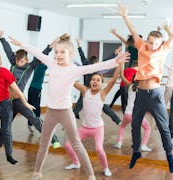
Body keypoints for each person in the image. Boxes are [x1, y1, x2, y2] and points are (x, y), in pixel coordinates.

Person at [9, 34, 129, 179]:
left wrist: (115, 61)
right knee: (44, 143)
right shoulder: (51, 63)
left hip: (65, 112)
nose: (58, 55)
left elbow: (95, 66)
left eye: (62, 52)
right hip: (51, 112)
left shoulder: (74, 69)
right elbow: (37, 53)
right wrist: (22, 44)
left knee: (76, 143)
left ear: (70, 54)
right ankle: (36, 172)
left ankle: (91, 175)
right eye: (57, 52)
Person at [118, 3, 173, 171]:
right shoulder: (142, 46)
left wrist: (167, 30)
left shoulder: (163, 49)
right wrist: (125, 17)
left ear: (160, 43)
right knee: (135, 124)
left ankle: (170, 156)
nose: (152, 45)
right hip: (141, 93)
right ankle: (136, 152)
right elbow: (134, 31)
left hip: (155, 94)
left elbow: (171, 38)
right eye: (150, 42)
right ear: (147, 40)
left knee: (163, 127)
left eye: (155, 43)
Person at [0, 25, 60, 151]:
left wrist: (50, 46)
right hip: (8, 100)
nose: (18, 63)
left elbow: (40, 55)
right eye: (17, 61)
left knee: (35, 119)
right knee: (6, 122)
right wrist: (1, 37)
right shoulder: (13, 63)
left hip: (20, 100)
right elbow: (7, 50)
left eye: (21, 61)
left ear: (26, 60)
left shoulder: (30, 66)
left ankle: (54, 140)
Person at [64, 61, 123, 177]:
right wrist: (65, 68)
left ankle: (106, 168)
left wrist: (120, 64)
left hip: (98, 129)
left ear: (101, 84)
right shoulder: (85, 91)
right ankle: (76, 163)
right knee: (67, 145)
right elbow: (72, 82)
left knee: (99, 149)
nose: (95, 81)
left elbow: (114, 79)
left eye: (98, 80)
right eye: (93, 79)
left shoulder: (102, 93)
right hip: (85, 128)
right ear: (90, 82)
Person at [72, 38, 122, 125]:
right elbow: (105, 61)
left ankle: (117, 120)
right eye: (97, 63)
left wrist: (79, 46)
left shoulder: (87, 65)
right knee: (80, 106)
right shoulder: (91, 67)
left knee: (102, 107)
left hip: (92, 92)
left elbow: (82, 56)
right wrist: (114, 53)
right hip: (86, 91)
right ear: (95, 63)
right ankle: (71, 119)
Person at [113, 65, 151, 152]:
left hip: (128, 113)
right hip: (137, 114)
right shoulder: (143, 89)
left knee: (122, 127)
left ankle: (119, 143)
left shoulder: (130, 86)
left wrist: (121, 65)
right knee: (147, 128)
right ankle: (144, 145)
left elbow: (122, 76)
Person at [109, 29, 142, 112]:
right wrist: (116, 33)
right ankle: (125, 108)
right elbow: (123, 40)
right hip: (132, 68)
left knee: (125, 88)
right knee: (124, 87)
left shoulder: (142, 47)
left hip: (138, 68)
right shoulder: (130, 46)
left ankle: (116, 104)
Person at [164, 63, 173, 137]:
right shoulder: (170, 66)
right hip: (170, 88)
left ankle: (170, 129)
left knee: (162, 107)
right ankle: (171, 130)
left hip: (169, 88)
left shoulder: (170, 66)